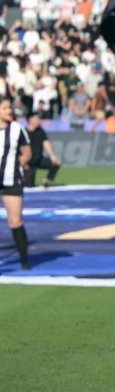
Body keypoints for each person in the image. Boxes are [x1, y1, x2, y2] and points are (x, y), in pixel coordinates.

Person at [0, 98, 32, 269]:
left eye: (10, 108)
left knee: (15, 221)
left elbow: (27, 152)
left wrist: (15, 165)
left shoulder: (16, 129)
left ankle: (24, 260)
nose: (9, 111)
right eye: (5, 108)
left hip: (11, 180)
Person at [22, 113, 60, 189]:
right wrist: (23, 163)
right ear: (30, 120)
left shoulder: (40, 131)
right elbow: (19, 149)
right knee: (29, 187)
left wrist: (53, 157)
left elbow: (46, 144)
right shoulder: (23, 132)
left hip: (39, 159)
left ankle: (46, 181)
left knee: (55, 164)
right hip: (28, 163)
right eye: (37, 119)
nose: (39, 121)